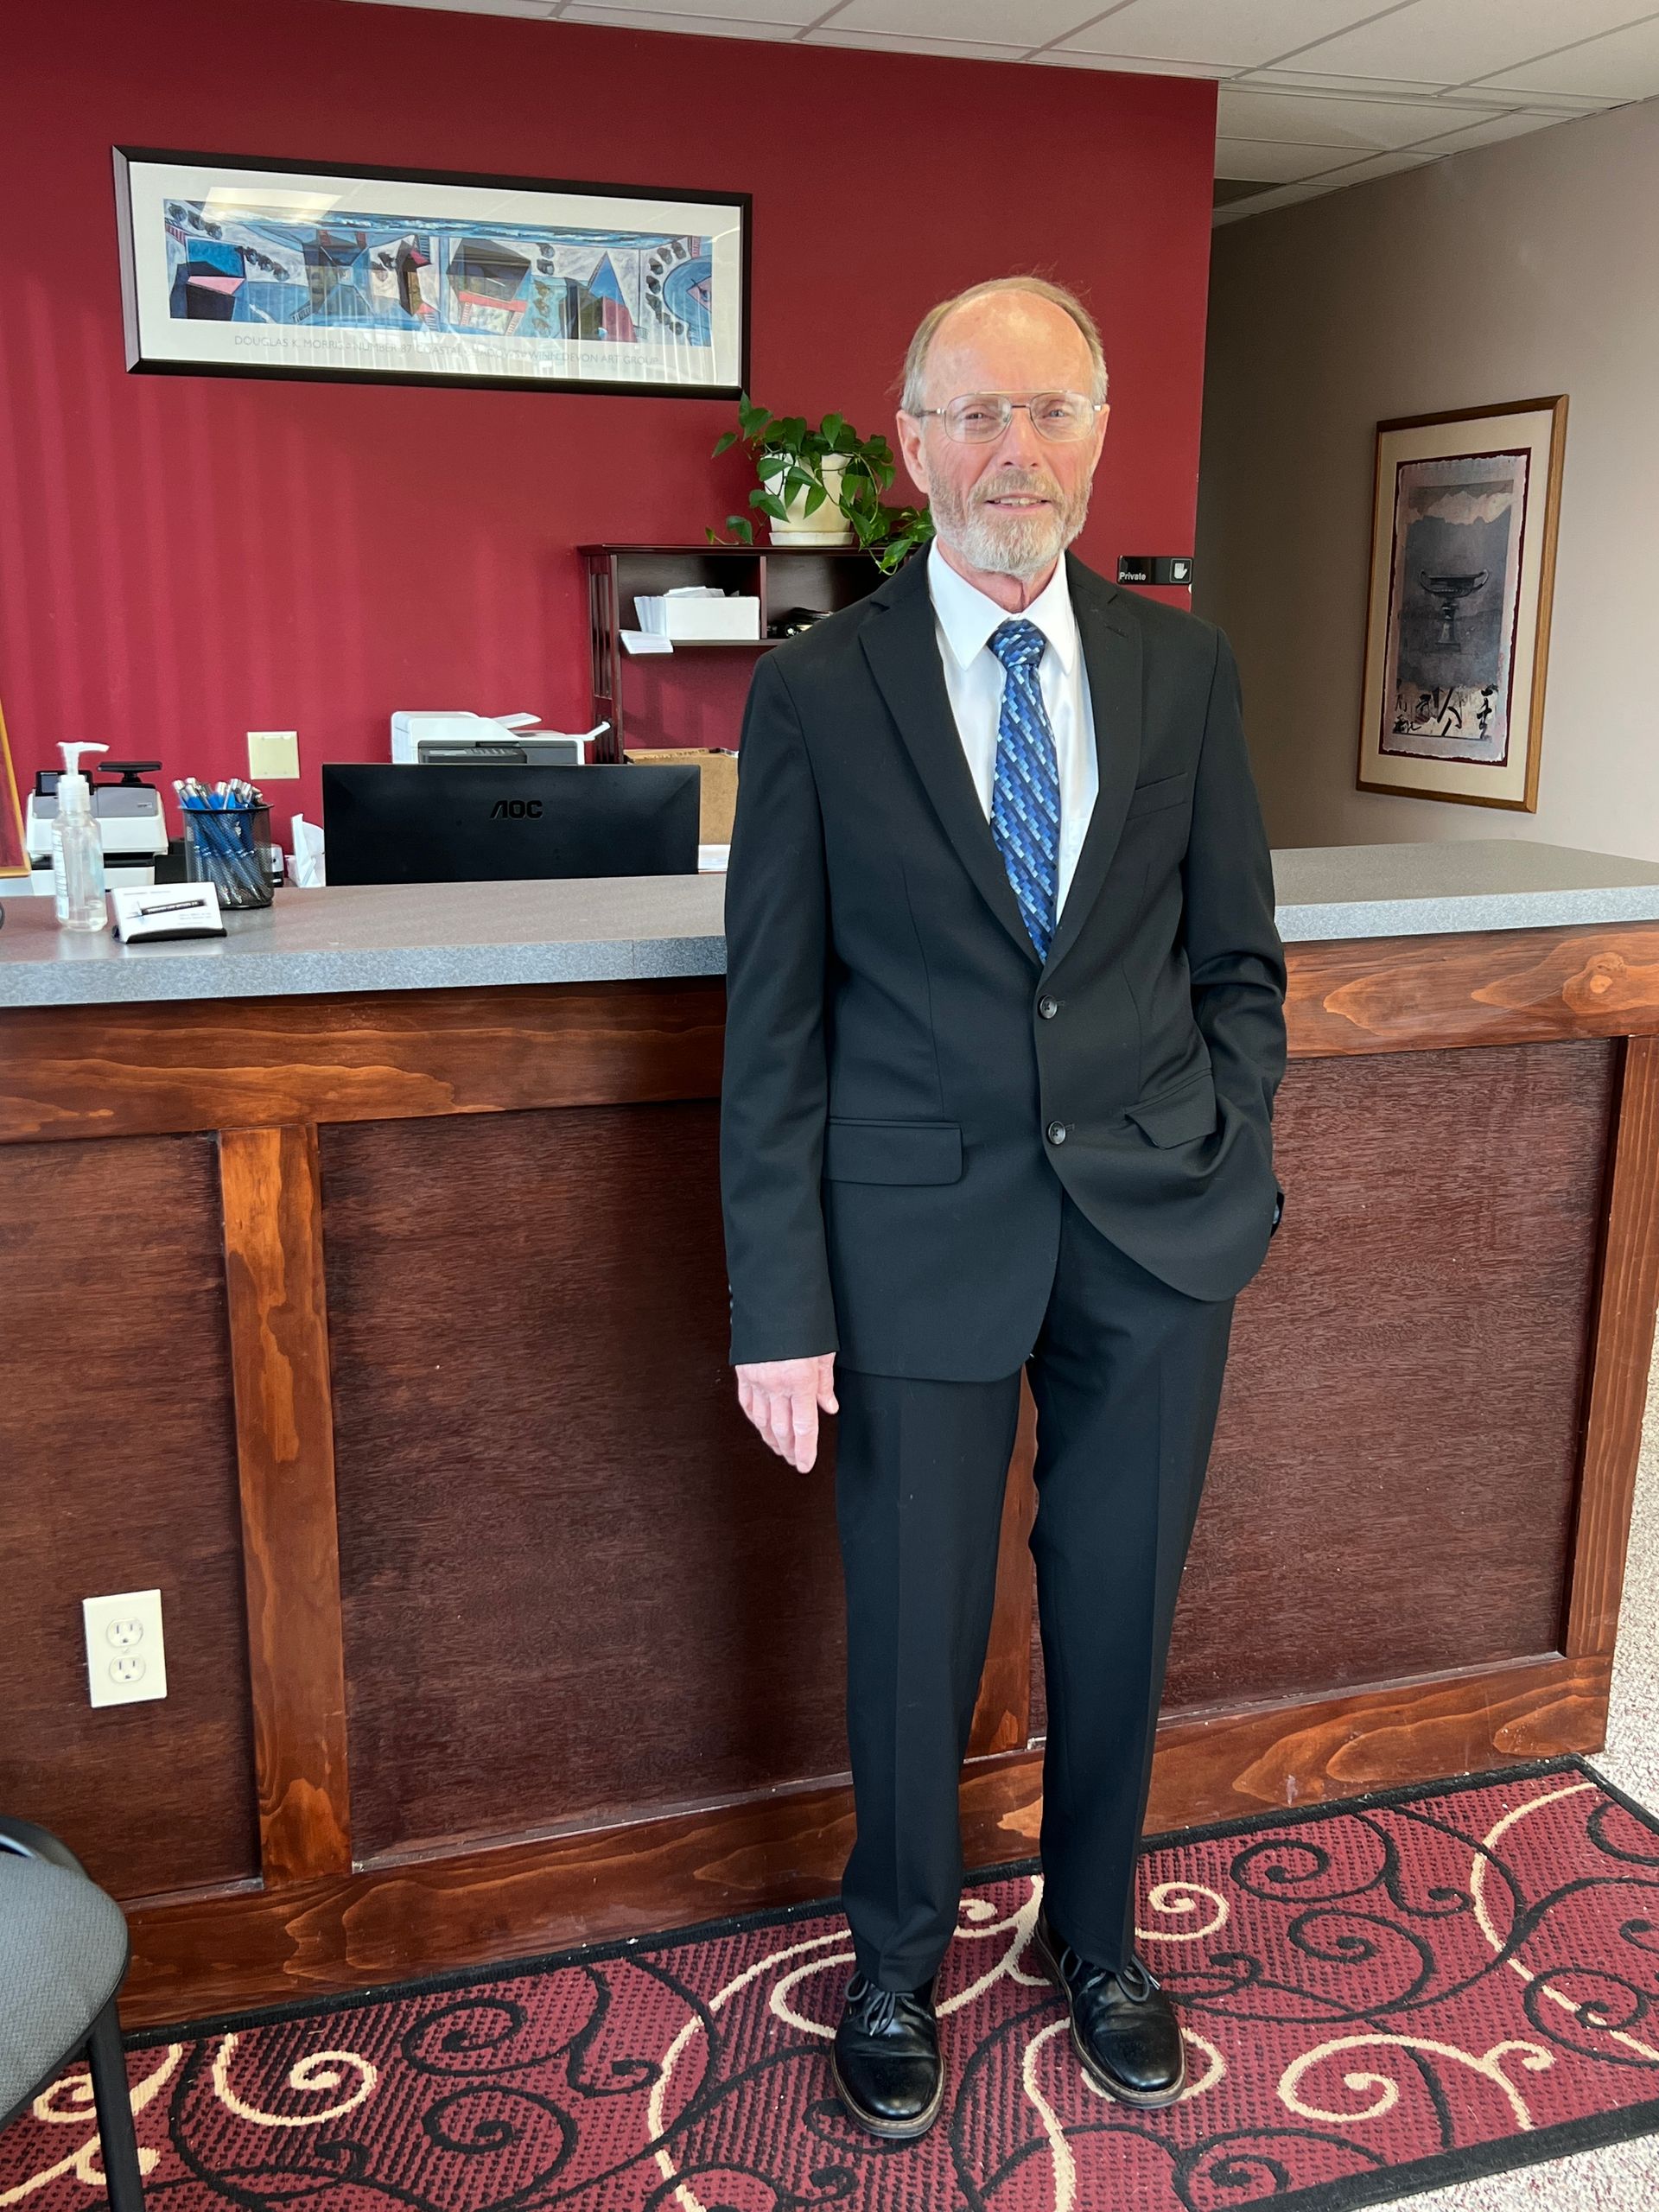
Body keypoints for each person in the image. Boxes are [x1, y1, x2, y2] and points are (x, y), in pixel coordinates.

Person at [719, 276, 1287, 2140]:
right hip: (914, 1233)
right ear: (910, 445)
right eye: (974, 415)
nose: (1013, 451)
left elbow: (1239, 960)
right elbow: (777, 1026)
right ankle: (895, 1954)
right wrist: (776, 1301)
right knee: (914, 1618)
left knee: (1118, 1605)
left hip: (1151, 1225)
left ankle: (1098, 1930)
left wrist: (1235, 1145)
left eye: (1048, 413)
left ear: (1101, 436)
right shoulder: (813, 687)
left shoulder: (1183, 668)